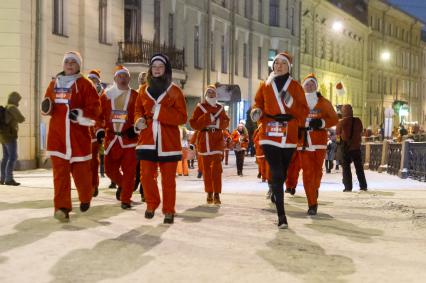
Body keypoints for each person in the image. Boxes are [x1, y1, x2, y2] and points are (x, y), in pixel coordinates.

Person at [250, 51, 309, 229]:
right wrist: (256, 111)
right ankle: (281, 216)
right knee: (276, 171)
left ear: (288, 67)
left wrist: (291, 102)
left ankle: (277, 191)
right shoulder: (265, 85)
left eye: (282, 64)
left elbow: (304, 112)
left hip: (288, 133)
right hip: (269, 132)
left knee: (282, 173)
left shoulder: (296, 87)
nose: (279, 66)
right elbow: (258, 103)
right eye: (276, 63)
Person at [41, 51, 101, 222]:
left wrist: (81, 114)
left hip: (78, 139)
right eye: (67, 61)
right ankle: (62, 207)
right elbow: (48, 105)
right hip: (58, 138)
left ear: (78, 65)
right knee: (60, 174)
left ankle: (85, 197)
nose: (69, 64)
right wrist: (46, 107)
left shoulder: (85, 84)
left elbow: (95, 110)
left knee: (81, 175)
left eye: (73, 62)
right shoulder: (53, 83)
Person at [134, 53, 187, 224]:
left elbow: (182, 117)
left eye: (160, 67)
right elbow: (137, 111)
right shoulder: (142, 90)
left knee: (168, 179)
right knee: (146, 176)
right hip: (147, 141)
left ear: (166, 70)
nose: (156, 70)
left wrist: (159, 112)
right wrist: (138, 121)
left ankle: (169, 210)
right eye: (154, 67)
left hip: (169, 143)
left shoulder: (175, 91)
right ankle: (152, 203)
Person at [96, 65, 139, 209]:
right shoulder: (106, 96)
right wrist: (100, 130)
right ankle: (124, 185)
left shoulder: (135, 96)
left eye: (126, 76)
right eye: (120, 76)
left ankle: (125, 199)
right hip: (111, 140)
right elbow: (99, 117)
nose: (123, 79)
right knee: (109, 170)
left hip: (129, 140)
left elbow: (141, 115)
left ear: (129, 78)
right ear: (115, 78)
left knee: (129, 172)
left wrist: (136, 128)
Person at [297, 74, 338, 215]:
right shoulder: (298, 103)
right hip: (303, 142)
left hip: (319, 142)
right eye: (307, 84)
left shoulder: (324, 103)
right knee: (307, 173)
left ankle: (314, 189)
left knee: (317, 172)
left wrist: (321, 123)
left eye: (312, 84)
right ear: (303, 87)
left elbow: (334, 119)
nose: (309, 87)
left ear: (316, 86)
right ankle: (312, 203)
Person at [189, 85, 230, 204]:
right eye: (209, 92)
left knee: (217, 169)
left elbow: (226, 122)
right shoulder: (200, 107)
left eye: (213, 92)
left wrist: (217, 122)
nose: (211, 94)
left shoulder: (220, 108)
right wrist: (206, 118)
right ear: (206, 94)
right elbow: (194, 124)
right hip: (204, 140)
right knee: (206, 170)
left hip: (216, 139)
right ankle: (209, 192)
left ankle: (217, 193)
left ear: (216, 94)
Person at [336, 104, 367, 192]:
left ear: (343, 112)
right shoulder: (358, 121)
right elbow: (361, 131)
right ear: (351, 111)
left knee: (346, 168)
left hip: (346, 148)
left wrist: (339, 143)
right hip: (356, 147)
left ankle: (348, 187)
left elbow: (338, 136)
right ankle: (363, 185)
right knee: (359, 167)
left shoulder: (341, 123)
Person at [0, 92, 25, 186]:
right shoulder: (12, 107)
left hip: (2, 135)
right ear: (15, 99)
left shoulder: (6, 107)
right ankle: (9, 179)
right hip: (10, 135)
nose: (19, 101)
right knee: (13, 157)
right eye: (18, 99)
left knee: (5, 157)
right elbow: (21, 119)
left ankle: (2, 178)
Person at [87, 69, 104, 197]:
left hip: (95, 133)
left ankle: (93, 185)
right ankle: (86, 185)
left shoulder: (102, 95)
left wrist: (101, 130)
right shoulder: (82, 92)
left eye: (94, 80)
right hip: (81, 133)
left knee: (93, 161)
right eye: (90, 79)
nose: (92, 82)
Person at [134, 71, 147, 202]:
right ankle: (135, 183)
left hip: (146, 133)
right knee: (135, 163)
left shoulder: (150, 94)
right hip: (133, 133)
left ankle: (144, 189)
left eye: (145, 77)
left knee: (145, 163)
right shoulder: (135, 94)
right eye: (141, 78)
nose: (142, 80)